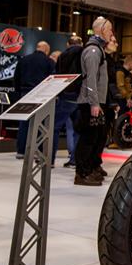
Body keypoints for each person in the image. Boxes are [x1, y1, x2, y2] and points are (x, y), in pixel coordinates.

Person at [74, 17, 112, 186]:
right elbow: (90, 79)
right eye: (109, 30)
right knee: (88, 138)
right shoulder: (93, 51)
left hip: (96, 101)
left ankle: (90, 168)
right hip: (90, 103)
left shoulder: (99, 50)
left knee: (96, 137)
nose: (111, 34)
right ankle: (82, 173)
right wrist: (94, 103)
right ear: (101, 30)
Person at [14, 41, 55, 158]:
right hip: (41, 95)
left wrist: (19, 92)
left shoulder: (24, 60)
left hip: (25, 93)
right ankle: (37, 151)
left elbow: (16, 77)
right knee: (41, 124)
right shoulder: (49, 62)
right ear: (46, 50)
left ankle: (21, 151)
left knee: (24, 123)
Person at [53, 35, 83, 167]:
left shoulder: (62, 56)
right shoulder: (84, 54)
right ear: (81, 43)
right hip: (80, 97)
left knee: (55, 128)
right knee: (78, 130)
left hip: (65, 96)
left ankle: (49, 160)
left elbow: (58, 75)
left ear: (67, 44)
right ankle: (74, 160)